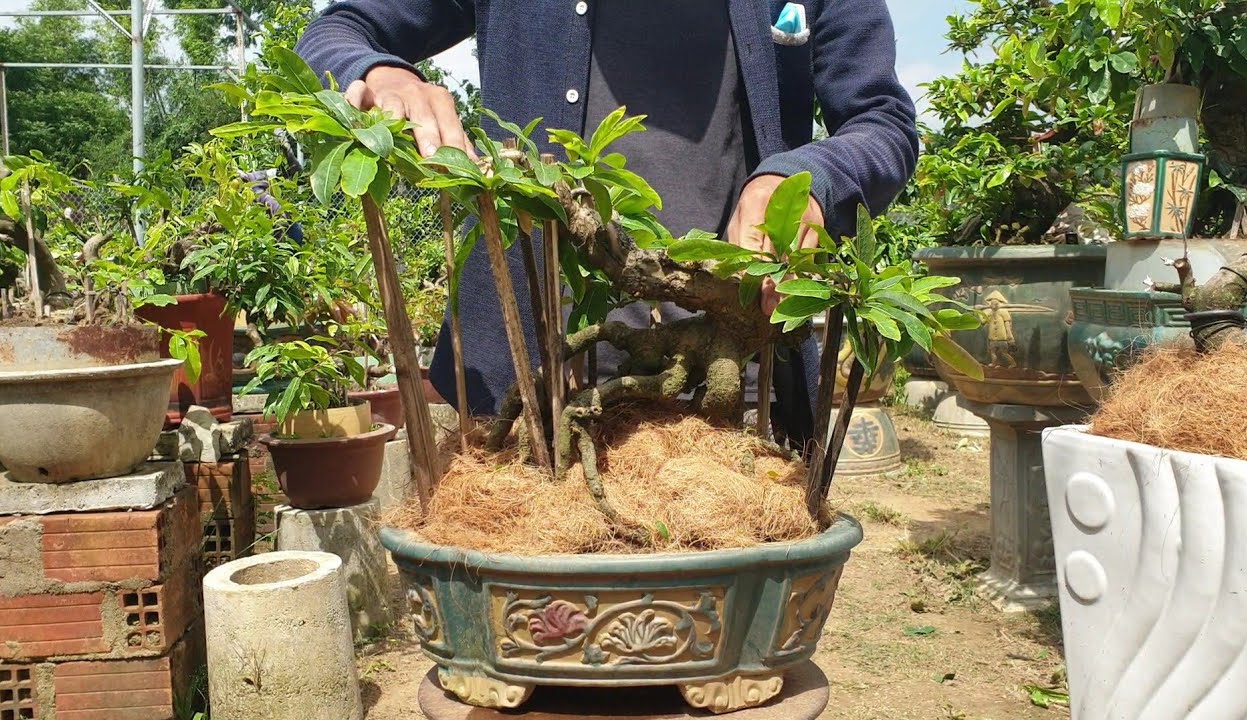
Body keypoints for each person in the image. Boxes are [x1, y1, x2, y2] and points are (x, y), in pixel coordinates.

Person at [296, 0, 918, 447]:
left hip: (740, 386)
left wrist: (806, 177)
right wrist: (381, 72)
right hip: (528, 388)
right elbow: (339, 28)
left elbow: (883, 121)